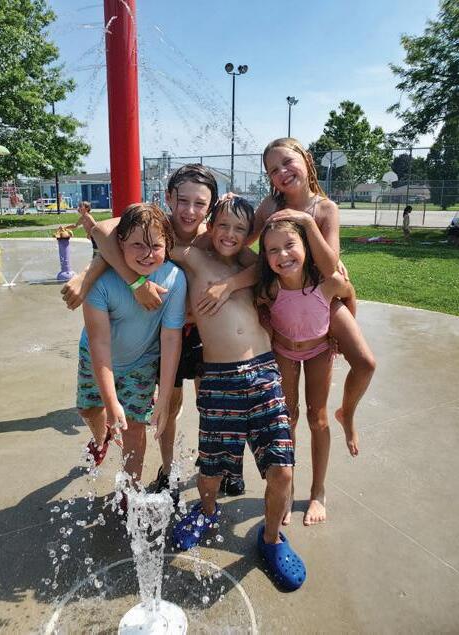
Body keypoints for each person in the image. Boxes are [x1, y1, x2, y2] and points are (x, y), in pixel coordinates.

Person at [197, 138, 376, 522]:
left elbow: (331, 269)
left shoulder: (324, 209)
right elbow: (235, 240)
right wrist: (220, 215)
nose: (282, 172)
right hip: (284, 304)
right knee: (288, 415)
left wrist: (308, 223)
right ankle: (287, 488)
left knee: (360, 368)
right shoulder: (269, 207)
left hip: (320, 299)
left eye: (287, 162)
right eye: (273, 170)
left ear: (306, 160)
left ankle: (334, 449)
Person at [62, 165, 245, 496]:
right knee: (168, 406)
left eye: (200, 203)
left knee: (212, 402)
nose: (190, 210)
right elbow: (103, 232)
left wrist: (231, 284)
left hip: (200, 331)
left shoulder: (214, 234)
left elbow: (251, 254)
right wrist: (135, 282)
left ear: (211, 206)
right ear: (169, 197)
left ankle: (224, 463)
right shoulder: (156, 225)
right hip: (162, 330)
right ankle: (167, 468)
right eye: (183, 200)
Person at [171, 197, 305, 592]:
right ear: (211, 225)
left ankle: (272, 538)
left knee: (282, 468)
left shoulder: (253, 266)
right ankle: (207, 510)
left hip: (265, 375)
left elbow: (269, 264)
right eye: (223, 225)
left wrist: (230, 283)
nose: (230, 234)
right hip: (219, 380)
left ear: (250, 236)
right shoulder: (196, 258)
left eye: (240, 229)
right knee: (211, 469)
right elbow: (145, 245)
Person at [77, 203, 186, 496]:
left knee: (134, 428)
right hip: (95, 357)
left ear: (168, 245)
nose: (147, 254)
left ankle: (131, 492)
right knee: (89, 409)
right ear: (120, 243)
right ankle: (100, 438)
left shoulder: (174, 279)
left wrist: (164, 398)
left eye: (156, 246)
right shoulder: (100, 281)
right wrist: (111, 402)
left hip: (141, 362)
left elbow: (171, 338)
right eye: (138, 244)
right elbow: (99, 342)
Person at [256, 219, 356, 527]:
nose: (283, 255)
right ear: (265, 257)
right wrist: (268, 328)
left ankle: (318, 491)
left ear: (306, 247)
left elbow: (349, 293)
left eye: (290, 245)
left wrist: (341, 331)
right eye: (273, 250)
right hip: (284, 352)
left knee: (318, 418)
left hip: (319, 351)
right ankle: (288, 490)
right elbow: (259, 309)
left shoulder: (327, 282)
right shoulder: (269, 289)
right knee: (288, 418)